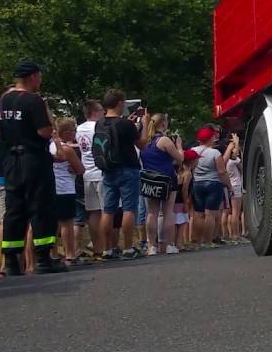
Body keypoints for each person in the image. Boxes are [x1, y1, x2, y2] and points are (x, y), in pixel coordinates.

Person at [0, 59, 65, 276]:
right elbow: (44, 131)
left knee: (14, 209)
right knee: (40, 206)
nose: (41, 79)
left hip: (10, 160)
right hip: (33, 159)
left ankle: (11, 261)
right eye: (40, 76)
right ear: (33, 77)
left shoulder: (2, 101)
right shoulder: (33, 101)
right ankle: (43, 258)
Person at [99, 90, 149, 260]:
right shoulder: (125, 125)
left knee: (108, 210)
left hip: (108, 169)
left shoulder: (100, 123)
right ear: (120, 103)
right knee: (129, 209)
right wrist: (145, 125)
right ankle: (128, 247)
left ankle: (108, 249)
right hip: (128, 168)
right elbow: (142, 144)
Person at [139, 113, 184, 255]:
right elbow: (180, 158)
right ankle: (169, 244)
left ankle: (151, 245)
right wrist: (179, 146)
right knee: (168, 212)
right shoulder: (164, 140)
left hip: (150, 178)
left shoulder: (144, 141)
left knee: (151, 212)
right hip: (167, 178)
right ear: (163, 124)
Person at [189, 127, 232, 249]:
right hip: (213, 184)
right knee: (210, 214)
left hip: (197, 184)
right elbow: (222, 171)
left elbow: (190, 167)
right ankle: (207, 241)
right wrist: (229, 186)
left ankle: (196, 239)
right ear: (210, 138)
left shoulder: (193, 150)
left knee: (198, 213)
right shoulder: (215, 153)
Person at [50, 118, 86, 267]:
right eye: (73, 130)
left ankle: (52, 254)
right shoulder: (67, 149)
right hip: (65, 188)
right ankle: (70, 254)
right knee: (67, 224)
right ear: (65, 132)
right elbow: (80, 169)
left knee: (53, 224)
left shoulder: (49, 146)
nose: (75, 133)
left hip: (51, 188)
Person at [75, 100, 106, 259]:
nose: (104, 113)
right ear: (94, 112)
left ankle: (97, 248)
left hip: (87, 173)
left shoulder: (78, 129)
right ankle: (107, 246)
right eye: (101, 110)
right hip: (101, 172)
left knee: (93, 213)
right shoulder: (98, 127)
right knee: (106, 211)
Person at [224, 134, 246, 243]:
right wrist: (236, 143)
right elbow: (242, 168)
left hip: (230, 185)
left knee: (231, 212)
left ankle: (232, 234)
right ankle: (236, 235)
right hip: (236, 186)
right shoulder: (233, 160)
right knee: (236, 212)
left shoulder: (224, 160)